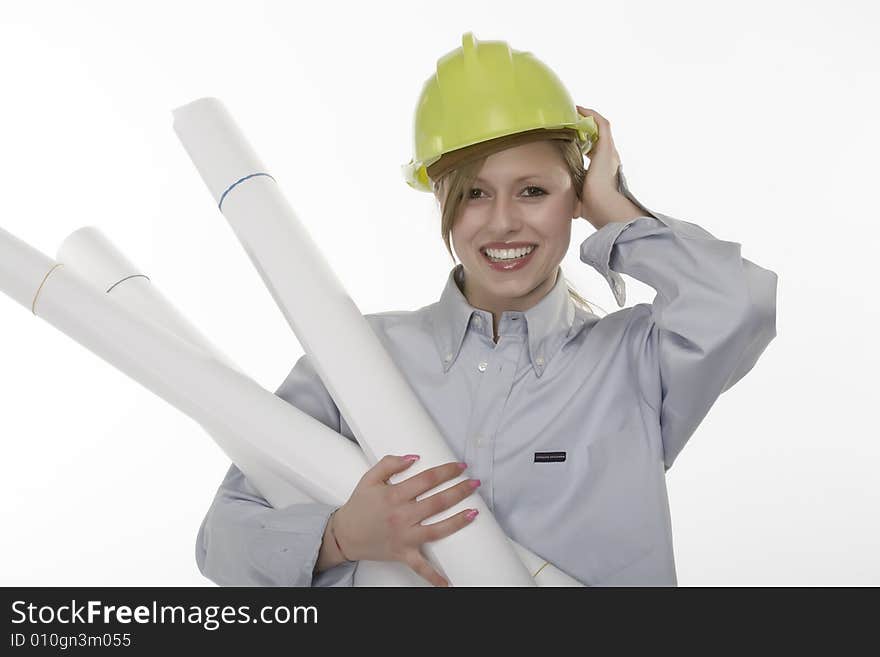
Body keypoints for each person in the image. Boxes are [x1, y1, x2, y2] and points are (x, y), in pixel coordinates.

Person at [195, 34, 778, 588]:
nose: (503, 222)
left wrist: (616, 210)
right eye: (474, 192)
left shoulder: (635, 364)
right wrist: (338, 538)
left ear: (575, 197)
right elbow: (221, 539)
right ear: (440, 200)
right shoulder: (354, 358)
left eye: (534, 191)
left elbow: (738, 303)